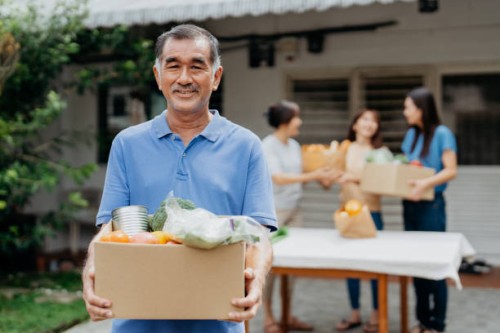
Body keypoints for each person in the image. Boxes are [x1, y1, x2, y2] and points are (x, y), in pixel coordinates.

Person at [81, 24, 277, 333]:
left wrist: (257, 282)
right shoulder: (127, 144)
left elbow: (258, 233)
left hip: (219, 321)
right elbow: (110, 228)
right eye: (173, 66)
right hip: (138, 321)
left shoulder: (246, 145)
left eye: (197, 66)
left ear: (216, 77)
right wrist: (92, 270)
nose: (184, 78)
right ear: (158, 76)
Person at [261, 100, 335, 333]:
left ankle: (287, 315)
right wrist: (314, 176)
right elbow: (279, 178)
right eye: (296, 117)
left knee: (292, 267)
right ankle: (269, 318)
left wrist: (326, 177)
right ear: (285, 121)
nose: (300, 122)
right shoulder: (268, 146)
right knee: (269, 267)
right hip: (275, 213)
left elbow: (304, 172)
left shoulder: (294, 145)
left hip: (295, 210)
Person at [402, 87, 457, 333]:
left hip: (431, 206)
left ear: (421, 109)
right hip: (410, 206)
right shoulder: (411, 135)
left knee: (434, 265)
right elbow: (405, 167)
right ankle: (422, 321)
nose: (405, 112)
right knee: (416, 266)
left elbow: (450, 170)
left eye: (408, 107)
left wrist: (424, 183)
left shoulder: (443, 133)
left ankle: (438, 324)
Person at [332, 109, 385, 333]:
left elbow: (382, 182)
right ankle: (355, 313)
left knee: (374, 267)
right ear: (355, 125)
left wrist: (353, 177)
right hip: (348, 212)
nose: (369, 124)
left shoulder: (381, 152)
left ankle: (376, 315)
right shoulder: (346, 149)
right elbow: (333, 173)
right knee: (351, 265)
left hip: (372, 213)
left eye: (373, 121)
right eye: (364, 119)